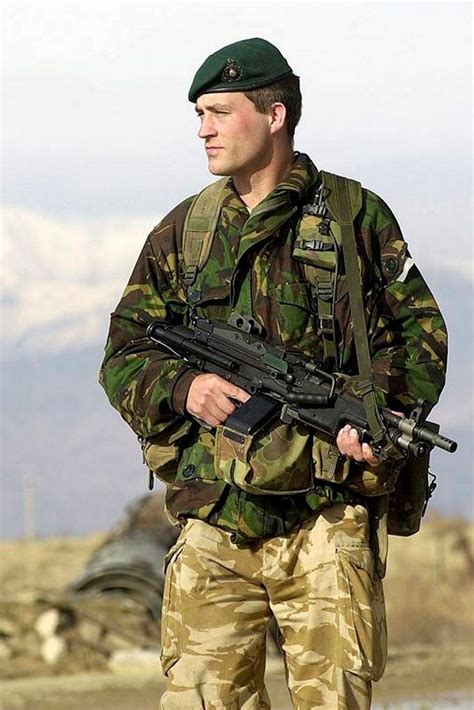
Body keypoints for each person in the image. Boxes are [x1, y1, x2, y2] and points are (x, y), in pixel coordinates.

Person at [99, 38, 447, 710]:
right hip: (214, 519)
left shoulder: (353, 218)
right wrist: (183, 388)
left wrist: (376, 420)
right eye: (199, 113)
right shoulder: (186, 231)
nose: (203, 129)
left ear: (275, 114)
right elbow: (123, 350)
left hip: (325, 516)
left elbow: (421, 334)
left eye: (219, 112)